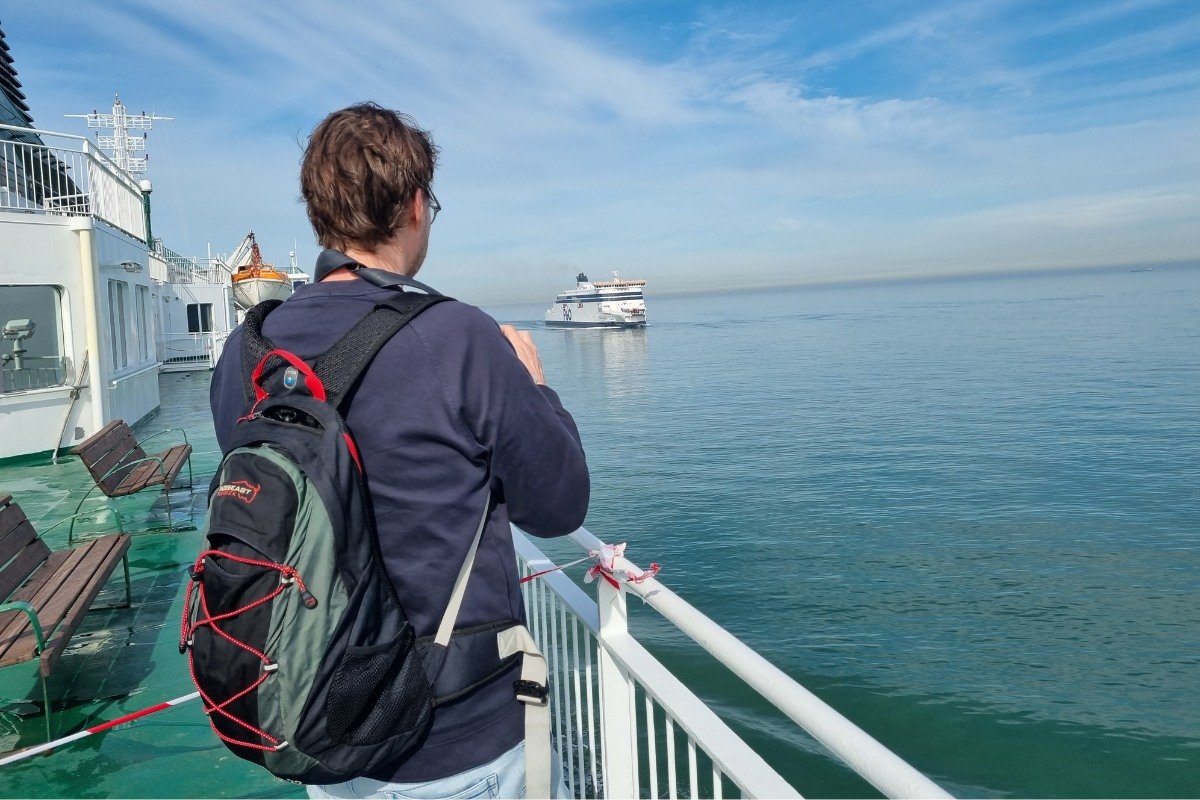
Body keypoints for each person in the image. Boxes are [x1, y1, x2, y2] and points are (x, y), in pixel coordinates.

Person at [208, 103, 590, 799]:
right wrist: (536, 389)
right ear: (416, 205)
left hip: (322, 724)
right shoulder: (457, 337)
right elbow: (560, 504)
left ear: (319, 211)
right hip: (457, 743)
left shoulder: (248, 350)